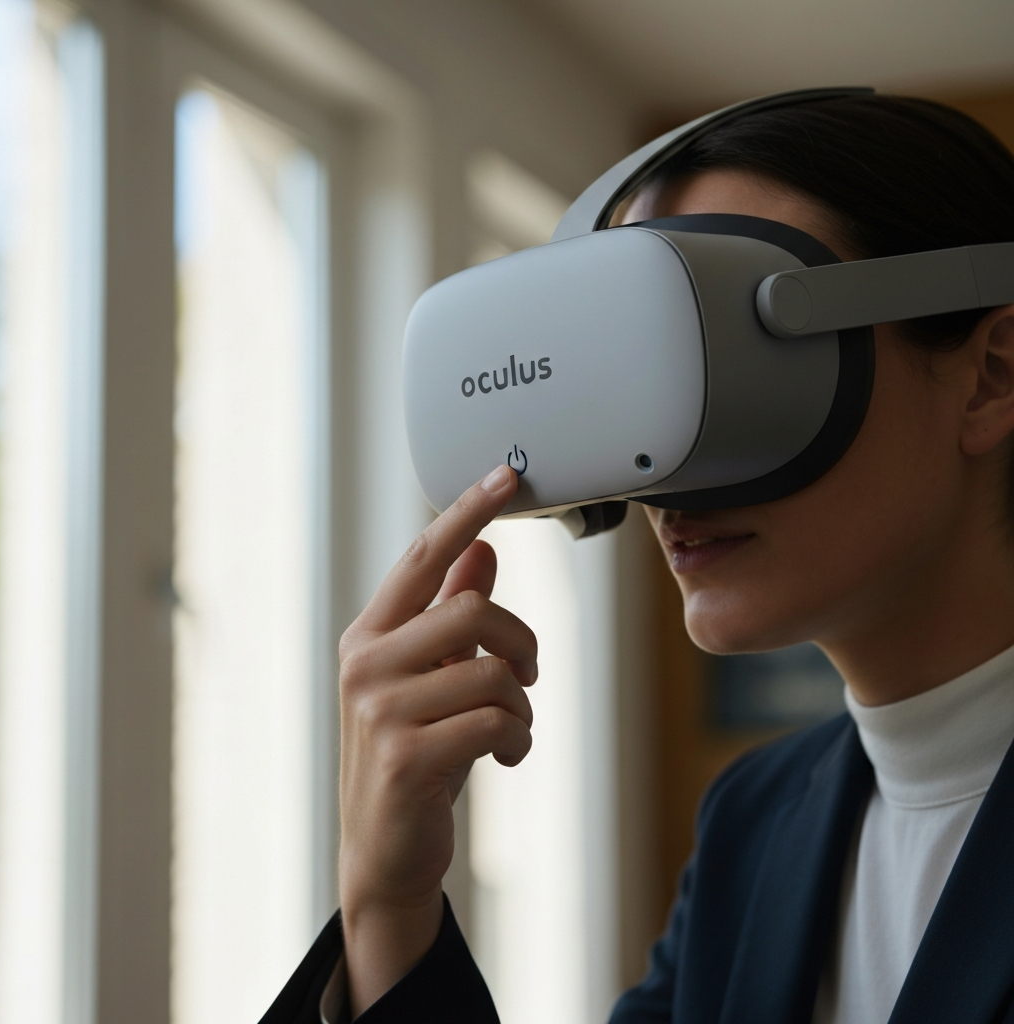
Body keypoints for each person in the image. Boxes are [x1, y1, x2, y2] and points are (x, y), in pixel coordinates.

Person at [261, 93, 1014, 1023]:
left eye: (730, 357)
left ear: (991, 375)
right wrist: (387, 906)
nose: (669, 481)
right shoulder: (756, 823)